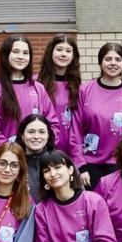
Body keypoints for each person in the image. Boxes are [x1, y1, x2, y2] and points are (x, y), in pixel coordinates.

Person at [78, 42, 122, 181]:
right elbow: (75, 131)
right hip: (90, 164)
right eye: (108, 59)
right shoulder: (85, 90)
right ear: (100, 62)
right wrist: (81, 166)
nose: (113, 63)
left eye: (118, 59)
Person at [0, 34, 59, 151]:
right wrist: (13, 154)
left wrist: (44, 147)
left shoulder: (38, 88)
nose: (21, 57)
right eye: (16, 52)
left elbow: (53, 124)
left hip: (38, 157)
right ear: (6, 55)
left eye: (25, 53)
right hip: (10, 161)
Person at [36, 34, 86, 182]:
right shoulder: (36, 83)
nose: (63, 54)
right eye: (59, 49)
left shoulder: (79, 87)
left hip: (69, 152)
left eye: (68, 51)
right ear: (51, 52)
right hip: (41, 150)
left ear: (74, 56)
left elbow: (78, 127)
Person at [17, 113, 55, 200]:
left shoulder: (60, 161)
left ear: (48, 135)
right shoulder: (14, 163)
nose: (36, 137)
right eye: (31, 132)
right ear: (22, 135)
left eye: (42, 132)